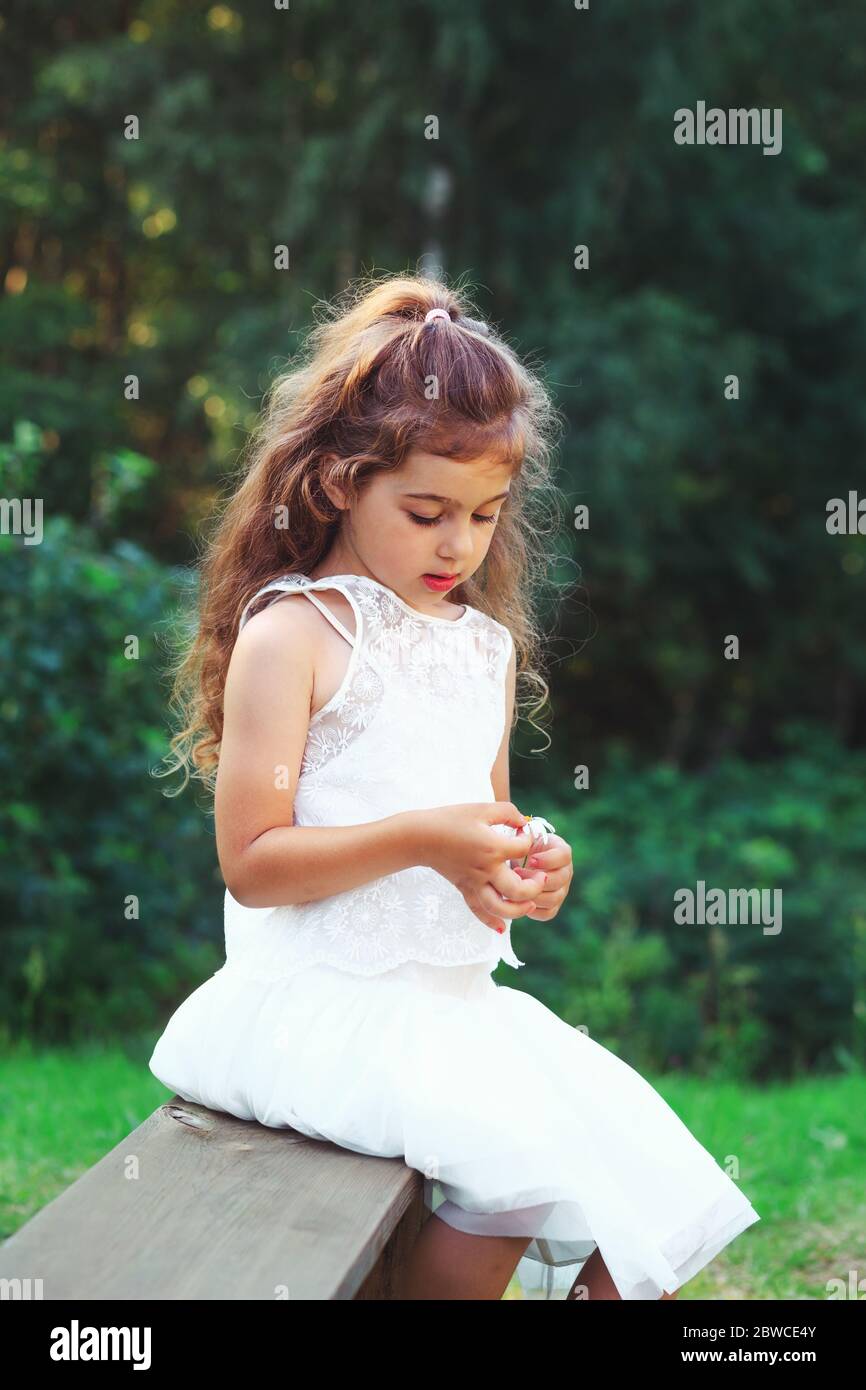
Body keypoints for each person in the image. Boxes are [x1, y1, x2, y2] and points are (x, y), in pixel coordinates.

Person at [148, 272, 760, 1300]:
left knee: (648, 1198)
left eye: (483, 515)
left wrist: (523, 867)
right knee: (518, 1177)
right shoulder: (295, 633)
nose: (457, 545)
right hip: (317, 1012)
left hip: (452, 1005)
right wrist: (427, 837)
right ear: (341, 481)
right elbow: (251, 864)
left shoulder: (479, 648)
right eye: (425, 510)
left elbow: (482, 829)